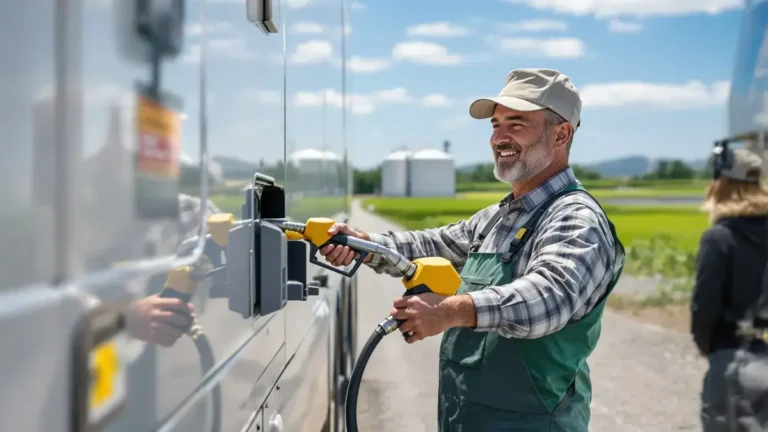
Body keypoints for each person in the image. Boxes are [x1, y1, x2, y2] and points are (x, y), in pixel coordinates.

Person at [319, 68, 625, 431]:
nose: (499, 137)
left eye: (516, 124)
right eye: (495, 125)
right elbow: (429, 245)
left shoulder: (575, 217)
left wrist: (449, 311)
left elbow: (549, 297)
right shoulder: (499, 216)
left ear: (561, 134)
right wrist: (361, 243)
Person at [690, 147, 768, 431]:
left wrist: (711, 348)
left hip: (734, 357)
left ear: (720, 183)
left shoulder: (720, 238)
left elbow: (704, 308)